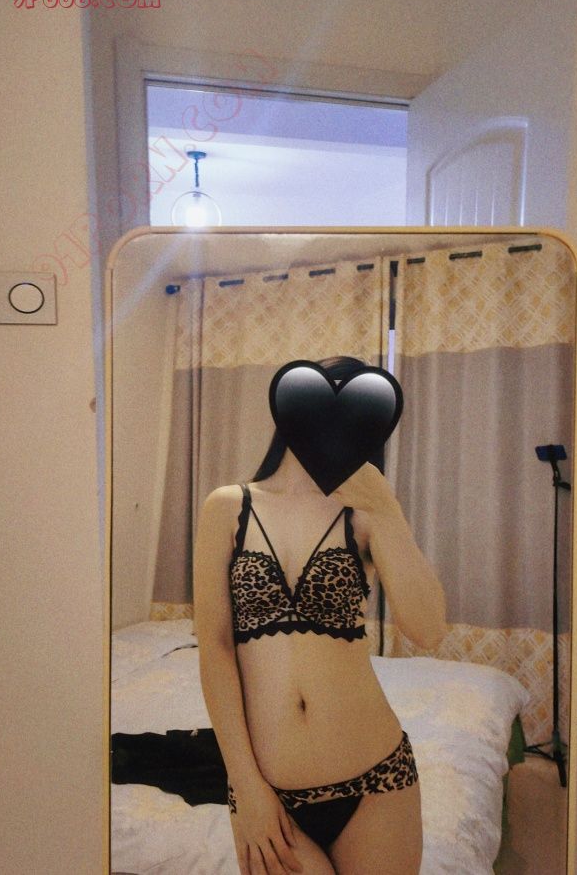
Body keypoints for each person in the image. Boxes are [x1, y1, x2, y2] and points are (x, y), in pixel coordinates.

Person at [193, 356, 448, 875]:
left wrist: (388, 509)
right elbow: (215, 647)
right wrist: (245, 785)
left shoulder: (365, 514)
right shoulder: (228, 507)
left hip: (377, 780)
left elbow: (428, 630)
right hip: (267, 790)